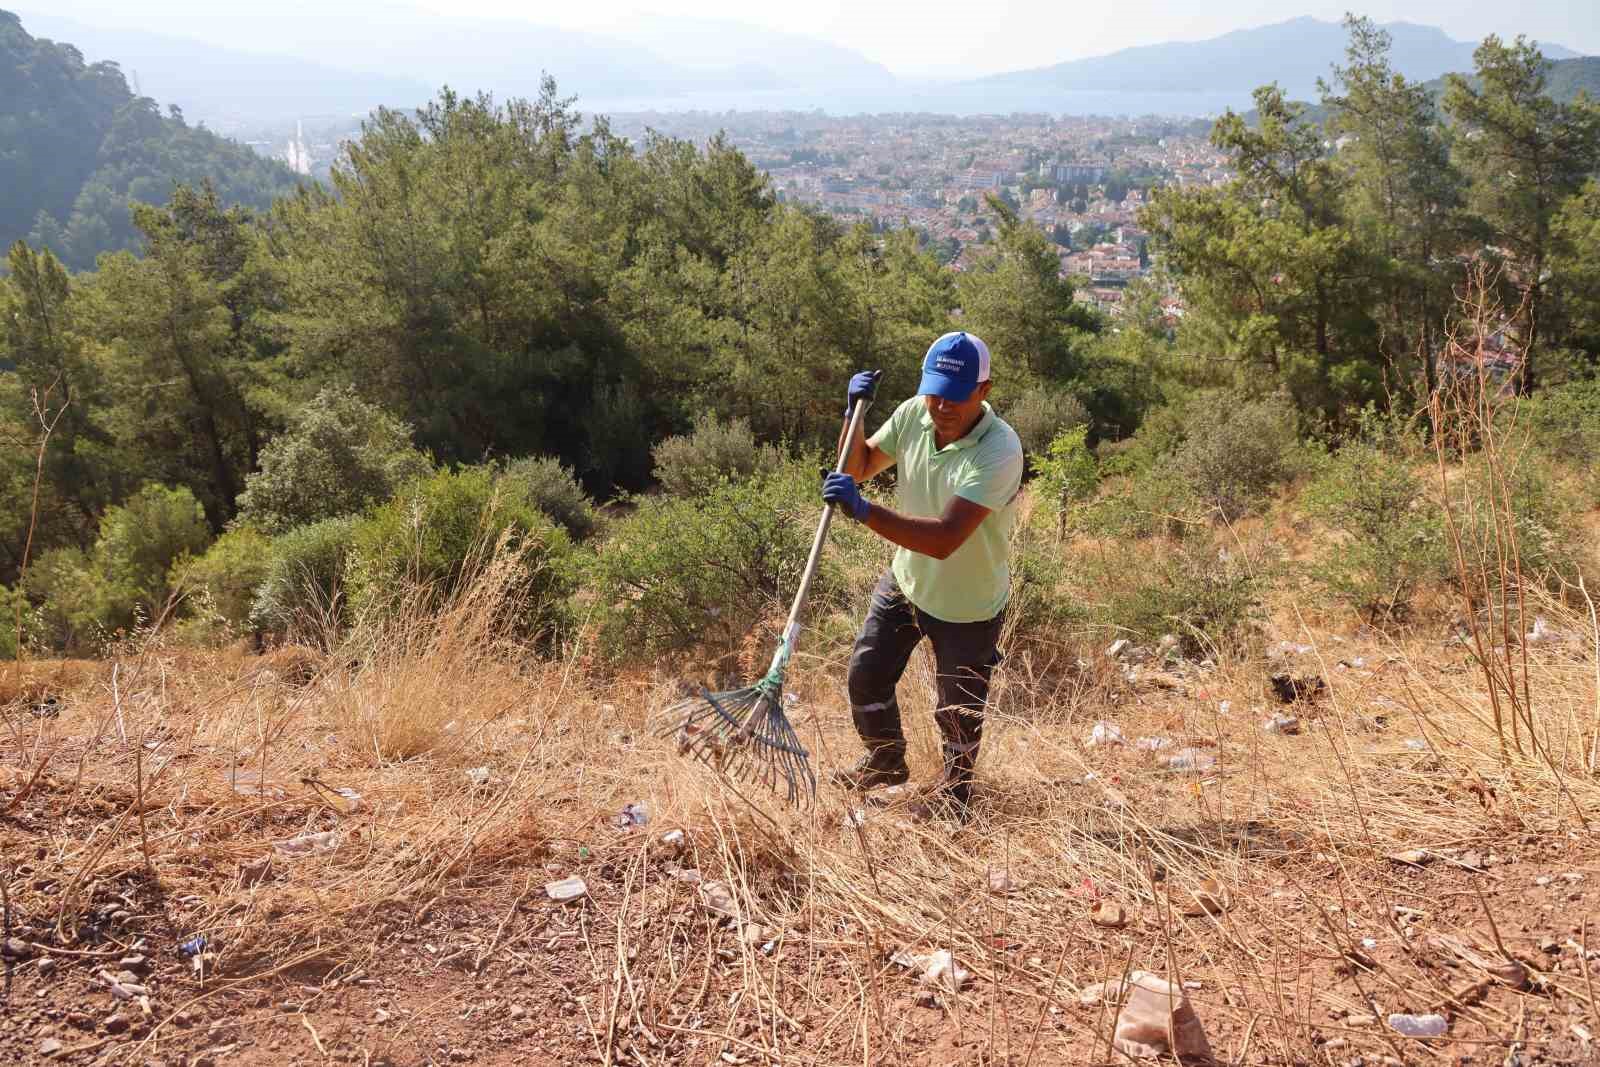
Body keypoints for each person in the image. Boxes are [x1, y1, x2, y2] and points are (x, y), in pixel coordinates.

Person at [820, 331, 1024, 818]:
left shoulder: (999, 450)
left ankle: (956, 801)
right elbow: (863, 464)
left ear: (984, 390)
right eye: (933, 391)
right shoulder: (916, 412)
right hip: (907, 583)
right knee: (866, 676)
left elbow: (944, 539)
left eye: (954, 397)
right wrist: (853, 416)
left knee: (957, 714)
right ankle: (885, 760)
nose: (940, 406)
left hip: (967, 604)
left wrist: (864, 511)